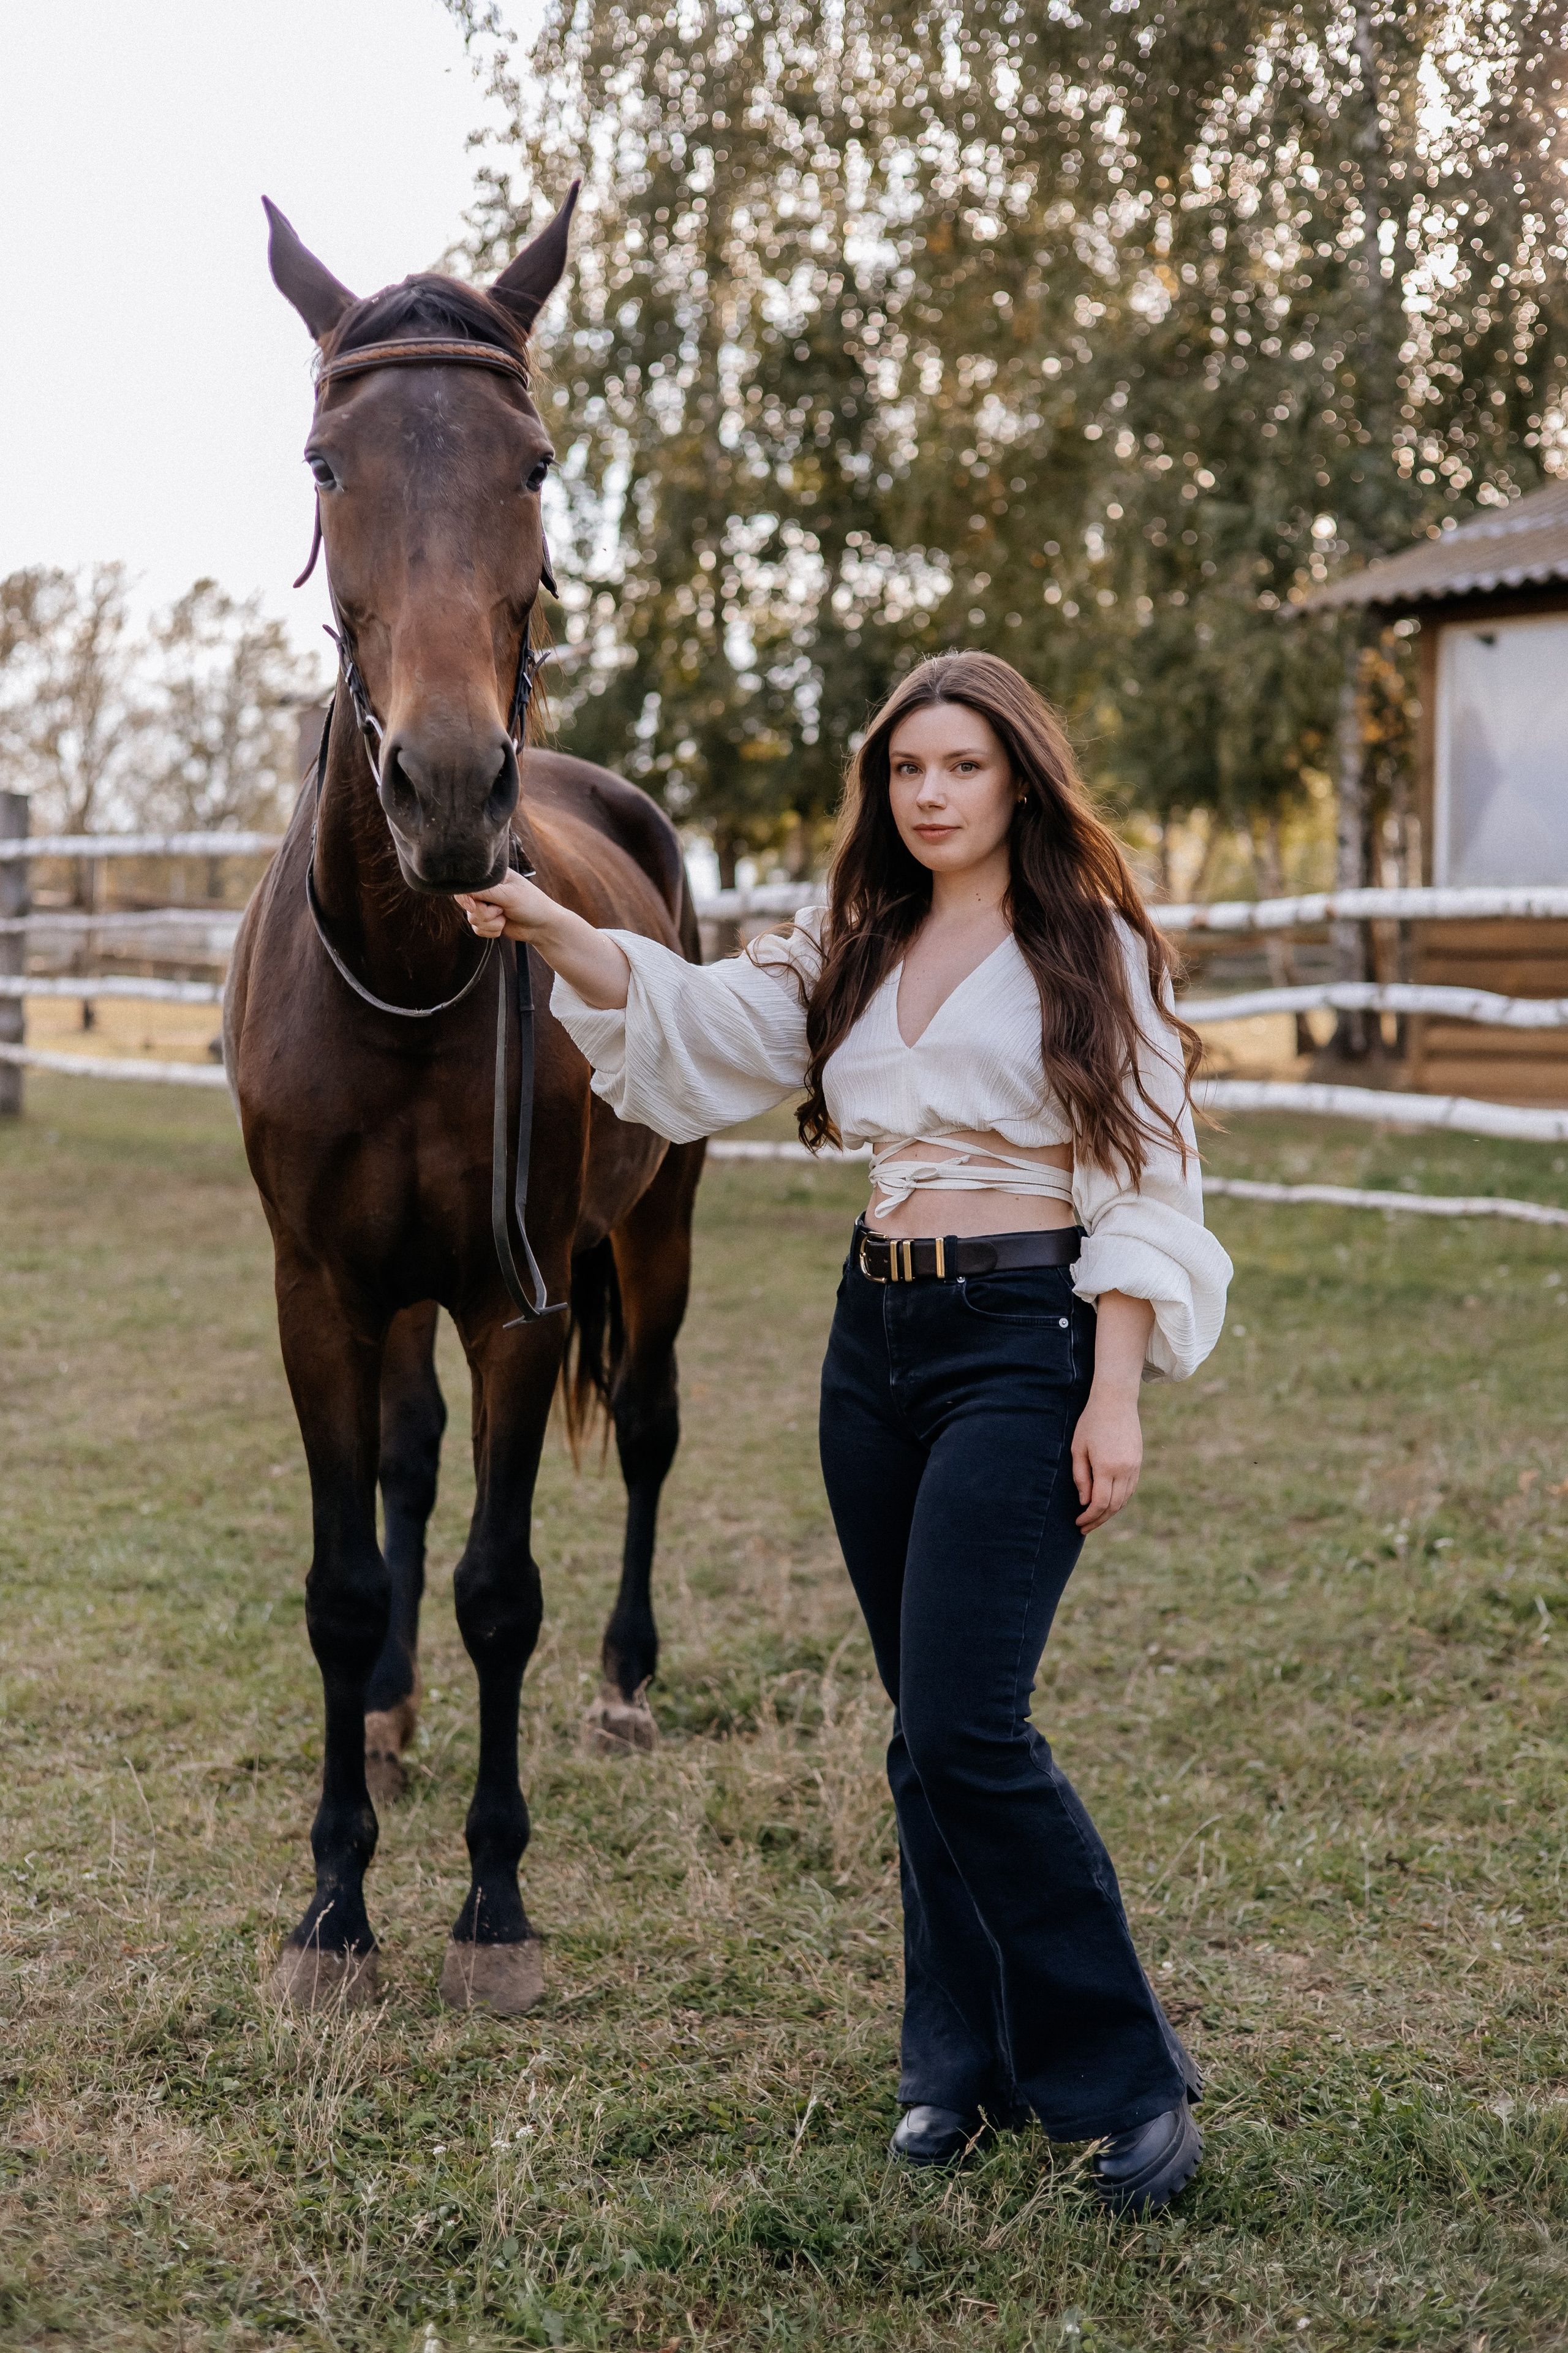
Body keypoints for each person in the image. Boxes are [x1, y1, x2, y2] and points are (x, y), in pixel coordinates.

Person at [458, 651, 1231, 2215]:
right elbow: (696, 1026)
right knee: (916, 1729)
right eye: (904, 771)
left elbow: (1147, 1171)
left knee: (966, 1725)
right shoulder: (854, 943)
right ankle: (955, 2063)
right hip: (872, 1334)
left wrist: (1115, 1388)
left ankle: (1128, 2083)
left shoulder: (1092, 951)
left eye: (959, 767)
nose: (929, 796)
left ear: (1017, 776)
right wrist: (549, 923)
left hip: (1026, 1340)